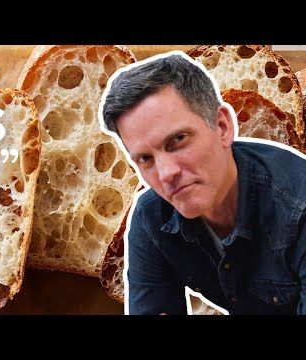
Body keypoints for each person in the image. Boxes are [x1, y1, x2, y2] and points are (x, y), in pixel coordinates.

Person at [101, 52, 306, 315]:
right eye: (145, 158)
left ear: (222, 127)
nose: (166, 174)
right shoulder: (151, 218)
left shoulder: (298, 208)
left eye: (177, 140)